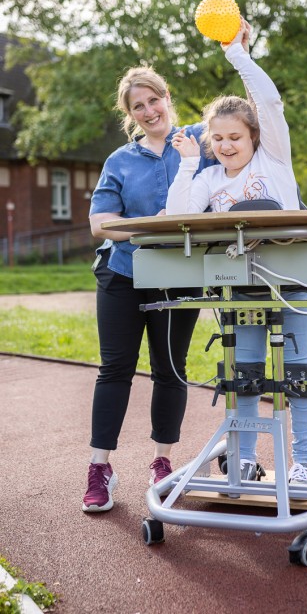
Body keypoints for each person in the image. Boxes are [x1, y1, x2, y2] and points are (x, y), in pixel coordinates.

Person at [167, 18, 307, 486]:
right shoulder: (210, 177)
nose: (226, 145)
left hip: (296, 279)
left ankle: (305, 462)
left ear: (254, 136)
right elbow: (179, 218)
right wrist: (190, 165)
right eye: (218, 139)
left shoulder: (273, 159)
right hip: (243, 288)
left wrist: (237, 54)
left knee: (301, 376)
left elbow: (270, 103)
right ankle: (246, 459)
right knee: (247, 375)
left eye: (235, 137)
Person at [82, 63, 216, 512]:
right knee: (115, 368)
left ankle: (163, 462)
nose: (148, 111)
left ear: (166, 96)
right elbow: (101, 225)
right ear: (130, 115)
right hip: (123, 274)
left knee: (169, 367)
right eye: (137, 107)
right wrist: (153, 227)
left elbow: (248, 137)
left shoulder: (202, 139)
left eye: (153, 100)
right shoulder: (119, 161)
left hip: (179, 276)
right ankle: (100, 467)